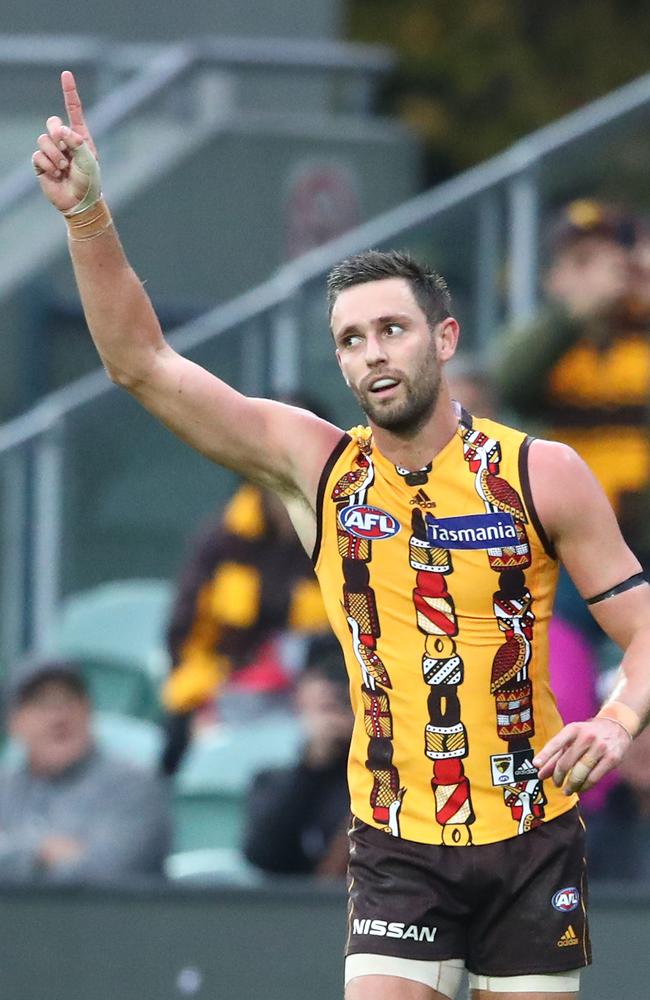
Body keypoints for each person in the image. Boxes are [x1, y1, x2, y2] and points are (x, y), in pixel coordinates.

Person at [31, 72, 650, 999]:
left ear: (442, 338)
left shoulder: (540, 473)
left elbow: (642, 630)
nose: (372, 354)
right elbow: (143, 364)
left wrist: (617, 716)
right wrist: (87, 217)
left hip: (528, 835)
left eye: (391, 329)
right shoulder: (315, 466)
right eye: (352, 339)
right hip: (396, 839)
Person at [161, 473, 330, 776]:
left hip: (309, 691)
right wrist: (205, 698)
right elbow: (185, 635)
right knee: (179, 740)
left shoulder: (340, 540)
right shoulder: (224, 539)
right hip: (225, 684)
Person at [0, 657, 171, 883]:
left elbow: (103, 876)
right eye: (41, 703)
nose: (58, 717)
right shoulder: (5, 788)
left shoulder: (134, 787)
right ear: (14, 722)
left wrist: (15, 853)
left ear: (88, 710)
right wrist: (44, 852)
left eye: (69, 700)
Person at [243, 632, 352, 878]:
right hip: (291, 910)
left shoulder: (383, 783)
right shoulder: (272, 781)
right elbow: (262, 855)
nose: (336, 693)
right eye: (324, 678)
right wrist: (313, 763)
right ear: (300, 695)